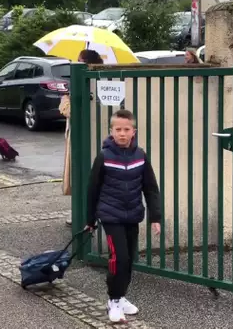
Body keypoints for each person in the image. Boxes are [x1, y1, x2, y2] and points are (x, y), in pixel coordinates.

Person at [84, 109, 162, 324]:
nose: (122, 133)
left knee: (129, 260)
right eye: (118, 129)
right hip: (111, 216)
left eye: (126, 129)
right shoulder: (104, 156)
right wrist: (89, 220)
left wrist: (156, 217)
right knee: (119, 258)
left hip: (132, 215)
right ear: (111, 131)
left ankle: (122, 296)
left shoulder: (140, 155)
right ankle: (114, 300)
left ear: (133, 131)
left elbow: (151, 188)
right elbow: (93, 189)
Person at [62, 49, 105, 226]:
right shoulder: (101, 78)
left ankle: (81, 213)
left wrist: (64, 101)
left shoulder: (85, 82)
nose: (76, 62)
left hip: (81, 136)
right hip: (95, 133)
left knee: (80, 174)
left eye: (79, 60)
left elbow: (72, 112)